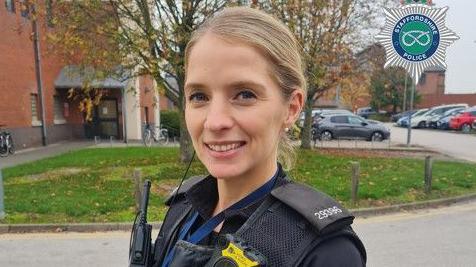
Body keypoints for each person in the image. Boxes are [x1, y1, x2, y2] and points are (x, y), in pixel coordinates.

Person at [151, 7, 366, 267]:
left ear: (291, 108)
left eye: (244, 94)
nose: (215, 121)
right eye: (199, 96)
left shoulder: (327, 251)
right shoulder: (182, 210)